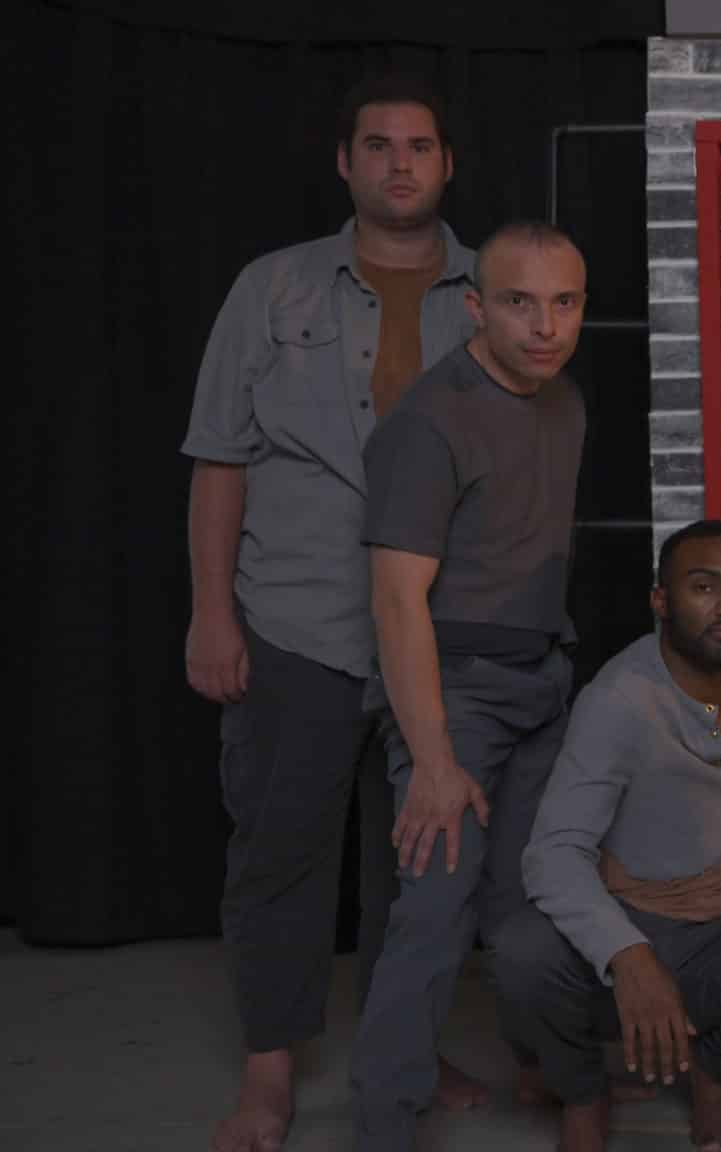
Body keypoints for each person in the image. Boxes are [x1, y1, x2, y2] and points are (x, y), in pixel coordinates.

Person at [180, 73, 487, 1152]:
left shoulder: (494, 293)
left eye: (420, 146)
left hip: (440, 635)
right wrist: (210, 614)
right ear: (347, 162)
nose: (400, 163)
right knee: (282, 853)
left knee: (423, 867)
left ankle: (409, 1051)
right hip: (294, 621)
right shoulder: (271, 288)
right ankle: (270, 1078)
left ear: (447, 165)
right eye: (379, 145)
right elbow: (220, 459)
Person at [349, 221, 590, 1151]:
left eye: (564, 302)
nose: (545, 325)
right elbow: (396, 601)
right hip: (452, 690)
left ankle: (553, 1070)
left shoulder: (565, 400)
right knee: (435, 908)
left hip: (543, 680)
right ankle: (384, 1127)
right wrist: (435, 759)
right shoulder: (429, 421)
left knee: (535, 901)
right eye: (520, 303)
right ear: (475, 307)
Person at [499, 520, 721, 1152]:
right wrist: (628, 954)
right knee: (521, 955)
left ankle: (714, 1076)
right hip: (626, 909)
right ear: (661, 601)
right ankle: (583, 1093)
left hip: (720, 917)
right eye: (704, 587)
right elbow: (553, 853)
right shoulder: (619, 699)